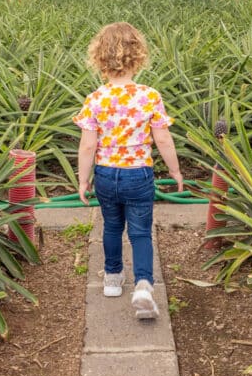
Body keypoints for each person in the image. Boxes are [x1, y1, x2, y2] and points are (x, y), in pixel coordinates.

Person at [74, 22, 184, 320]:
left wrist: (83, 180)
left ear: (100, 58)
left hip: (107, 174)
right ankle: (144, 285)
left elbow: (87, 146)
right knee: (139, 232)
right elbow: (162, 138)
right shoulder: (149, 96)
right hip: (139, 174)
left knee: (111, 226)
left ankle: (111, 279)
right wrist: (175, 171)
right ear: (137, 56)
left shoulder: (96, 98)